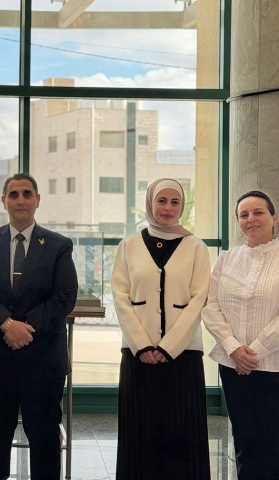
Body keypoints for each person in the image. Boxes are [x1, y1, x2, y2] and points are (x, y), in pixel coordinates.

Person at [0, 172, 78, 480]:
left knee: (44, 437)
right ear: (4, 201)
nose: (20, 200)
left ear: (38, 200)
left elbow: (65, 296)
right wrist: (6, 324)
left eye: (27, 194)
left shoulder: (58, 245)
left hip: (42, 356)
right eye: (13, 195)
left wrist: (22, 328)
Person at [111, 178, 211, 480]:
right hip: (138, 356)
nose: (168, 207)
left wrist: (169, 347)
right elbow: (120, 297)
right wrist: (142, 345)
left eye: (175, 202)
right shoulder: (128, 245)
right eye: (162, 201)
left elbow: (199, 300)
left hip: (183, 357)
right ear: (150, 203)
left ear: (182, 206)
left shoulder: (196, 247)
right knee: (139, 433)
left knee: (182, 433)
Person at [202, 190, 279, 479]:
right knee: (245, 440)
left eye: (258, 212)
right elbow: (210, 307)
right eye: (244, 214)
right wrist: (233, 348)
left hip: (277, 367)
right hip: (232, 364)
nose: (251, 219)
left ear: (274, 218)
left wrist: (254, 352)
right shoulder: (226, 259)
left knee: (277, 443)